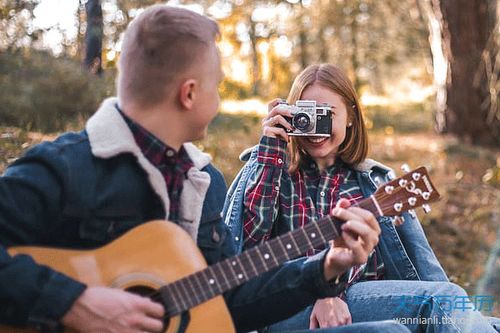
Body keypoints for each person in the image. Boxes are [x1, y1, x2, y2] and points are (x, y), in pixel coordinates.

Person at [0, 5, 413, 333]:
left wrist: (324, 268)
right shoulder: (67, 167)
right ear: (190, 94)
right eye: (216, 87)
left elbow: (232, 298)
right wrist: (74, 303)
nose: (218, 101)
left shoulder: (203, 184)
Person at [223, 63, 499, 332]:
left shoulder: (370, 183)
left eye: (326, 114)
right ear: (288, 114)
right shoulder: (272, 172)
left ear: (351, 117)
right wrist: (270, 154)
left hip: (359, 300)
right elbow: (246, 249)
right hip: (284, 307)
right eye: (305, 114)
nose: (316, 129)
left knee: (452, 309)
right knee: (441, 301)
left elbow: (416, 269)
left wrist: (331, 290)